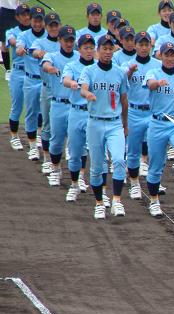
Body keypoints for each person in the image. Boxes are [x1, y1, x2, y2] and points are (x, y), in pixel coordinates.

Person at [79, 34, 129, 219]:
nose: (107, 52)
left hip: (115, 123)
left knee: (118, 160)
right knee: (97, 166)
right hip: (95, 122)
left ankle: (116, 200)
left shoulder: (120, 72)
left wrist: (125, 125)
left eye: (110, 49)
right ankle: (99, 203)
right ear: (98, 50)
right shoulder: (89, 71)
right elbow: (83, 88)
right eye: (104, 49)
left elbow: (124, 100)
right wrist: (87, 94)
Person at [143, 41, 174, 216]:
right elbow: (149, 84)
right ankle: (154, 201)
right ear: (161, 56)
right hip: (157, 124)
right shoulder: (153, 72)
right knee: (155, 165)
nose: (170, 58)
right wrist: (157, 83)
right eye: (167, 54)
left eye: (172, 55)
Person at [121, 31, 161, 200]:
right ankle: (135, 183)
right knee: (133, 150)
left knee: (156, 149)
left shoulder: (158, 65)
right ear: (135, 46)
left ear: (150, 46)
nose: (144, 48)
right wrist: (130, 72)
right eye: (141, 44)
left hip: (153, 112)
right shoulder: (127, 64)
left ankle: (154, 180)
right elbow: (121, 83)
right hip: (134, 112)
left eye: (147, 45)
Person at [41, 25, 78, 187]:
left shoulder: (79, 56)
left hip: (76, 106)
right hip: (58, 104)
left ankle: (79, 177)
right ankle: (56, 169)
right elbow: (45, 65)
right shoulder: (53, 56)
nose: (69, 43)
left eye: (71, 40)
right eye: (66, 40)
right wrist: (50, 68)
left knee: (77, 141)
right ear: (59, 40)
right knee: (56, 141)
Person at [62, 33, 96, 201]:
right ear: (79, 49)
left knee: (98, 153)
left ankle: (101, 193)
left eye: (91, 48)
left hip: (94, 114)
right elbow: (66, 80)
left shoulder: (99, 67)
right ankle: (75, 184)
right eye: (85, 48)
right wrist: (72, 83)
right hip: (76, 112)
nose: (89, 51)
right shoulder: (72, 65)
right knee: (75, 152)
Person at [32, 12, 62, 174]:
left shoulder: (65, 42)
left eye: (56, 25)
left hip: (63, 90)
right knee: (47, 124)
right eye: (51, 25)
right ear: (46, 26)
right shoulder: (40, 42)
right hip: (48, 88)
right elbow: (35, 51)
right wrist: (41, 54)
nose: (54, 28)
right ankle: (46, 158)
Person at [16, 6, 46, 162]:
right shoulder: (24, 35)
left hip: (45, 81)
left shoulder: (48, 37)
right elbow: (19, 47)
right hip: (30, 79)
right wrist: (21, 49)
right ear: (31, 20)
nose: (37, 24)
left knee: (46, 113)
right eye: (35, 20)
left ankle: (42, 137)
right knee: (31, 112)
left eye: (40, 21)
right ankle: (33, 147)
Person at [5, 3, 31, 151]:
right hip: (18, 72)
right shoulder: (12, 31)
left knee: (35, 107)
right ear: (17, 17)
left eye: (28, 14)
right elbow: (12, 41)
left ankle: (36, 135)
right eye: (23, 15)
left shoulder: (36, 33)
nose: (26, 17)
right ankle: (14, 136)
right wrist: (20, 45)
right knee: (17, 106)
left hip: (33, 73)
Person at [0, 0, 23, 80]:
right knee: (4, 43)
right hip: (4, 12)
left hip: (19, 12)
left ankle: (21, 67)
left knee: (21, 41)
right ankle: (8, 71)